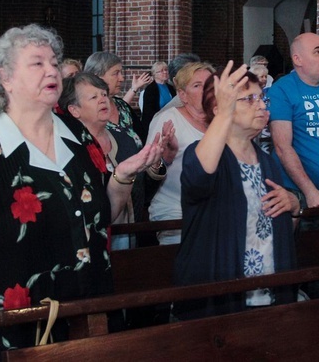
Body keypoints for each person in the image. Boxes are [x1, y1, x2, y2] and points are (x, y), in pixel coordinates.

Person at [0, 24, 163, 358]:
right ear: (5, 77)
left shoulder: (78, 136)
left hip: (87, 317)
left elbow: (100, 217)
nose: (52, 70)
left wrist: (122, 177)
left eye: (54, 62)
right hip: (12, 327)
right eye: (37, 63)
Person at [174, 63, 299, 320]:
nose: (262, 105)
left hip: (269, 299)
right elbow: (199, 177)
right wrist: (224, 113)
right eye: (249, 99)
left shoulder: (267, 162)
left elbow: (276, 229)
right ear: (219, 107)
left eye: (262, 97)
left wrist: (295, 204)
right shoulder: (201, 154)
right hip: (221, 303)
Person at [59, 72, 176, 248]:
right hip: (90, 244)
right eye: (93, 97)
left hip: (128, 239)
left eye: (104, 94)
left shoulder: (125, 138)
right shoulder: (69, 149)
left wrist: (158, 161)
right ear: (74, 110)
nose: (103, 100)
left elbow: (144, 194)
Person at [267, 33, 319, 220]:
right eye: (318, 51)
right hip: (294, 192)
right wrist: (309, 191)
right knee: (296, 247)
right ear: (297, 59)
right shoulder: (282, 90)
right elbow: (282, 147)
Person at [148, 62, 215, 244]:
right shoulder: (168, 119)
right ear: (182, 95)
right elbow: (148, 172)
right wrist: (166, 158)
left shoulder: (222, 121)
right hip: (176, 211)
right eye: (197, 85)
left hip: (216, 211)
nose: (206, 89)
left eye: (210, 83)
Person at [84, 51, 146, 144]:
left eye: (121, 73)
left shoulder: (123, 106)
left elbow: (143, 137)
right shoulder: (85, 112)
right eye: (115, 73)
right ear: (97, 77)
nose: (121, 78)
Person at [141, 61, 176, 131]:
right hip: (156, 124)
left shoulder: (171, 88)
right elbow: (148, 112)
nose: (165, 72)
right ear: (155, 74)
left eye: (166, 70)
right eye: (161, 71)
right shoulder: (150, 89)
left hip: (171, 122)